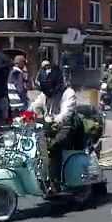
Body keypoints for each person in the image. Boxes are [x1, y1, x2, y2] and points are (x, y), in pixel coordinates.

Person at [29, 66, 78, 194]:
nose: (47, 91)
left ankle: (54, 182)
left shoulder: (68, 93)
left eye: (49, 87)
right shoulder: (45, 94)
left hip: (67, 127)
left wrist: (55, 120)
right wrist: (25, 115)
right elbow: (35, 105)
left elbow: (66, 114)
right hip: (49, 126)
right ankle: (40, 176)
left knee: (52, 146)